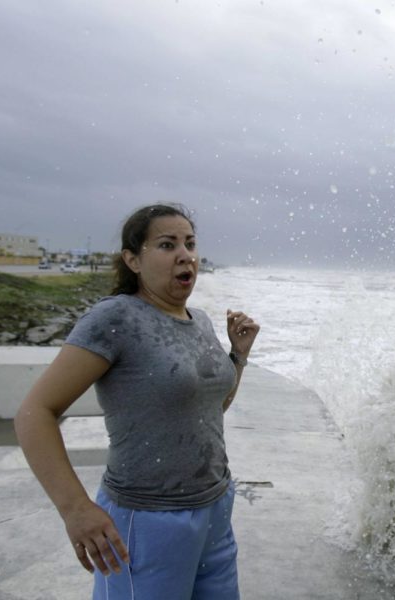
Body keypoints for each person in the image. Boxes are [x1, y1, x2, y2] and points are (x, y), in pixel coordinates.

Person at [15, 203, 259, 599]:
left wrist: (239, 356)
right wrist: (75, 509)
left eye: (190, 243)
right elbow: (34, 413)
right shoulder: (116, 319)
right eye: (166, 244)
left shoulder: (200, 321)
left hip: (215, 507)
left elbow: (208, 410)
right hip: (146, 520)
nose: (185, 255)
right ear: (133, 259)